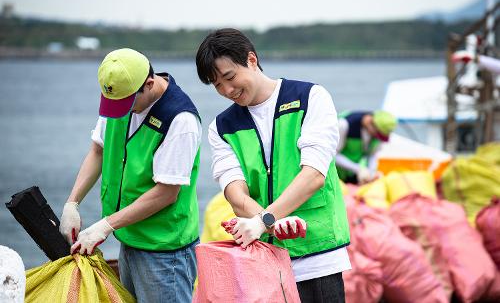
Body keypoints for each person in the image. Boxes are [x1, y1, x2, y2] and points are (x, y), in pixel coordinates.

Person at [196, 28, 351, 302]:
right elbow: (234, 192)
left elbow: (314, 174)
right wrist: (269, 224)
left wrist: (265, 219)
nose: (227, 90)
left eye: (230, 77)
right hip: (264, 261)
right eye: (216, 84)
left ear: (251, 59)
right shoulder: (221, 127)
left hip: (318, 257)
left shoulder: (311, 97)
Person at [59, 48, 201, 302]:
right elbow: (98, 151)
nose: (120, 110)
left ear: (148, 84)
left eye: (127, 103)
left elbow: (166, 193)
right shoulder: (119, 100)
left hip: (165, 251)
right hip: (129, 236)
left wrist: (106, 225)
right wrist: (72, 202)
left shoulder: (180, 120)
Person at [335, 110, 397, 184]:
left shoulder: (378, 133)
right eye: (378, 134)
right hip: (335, 174)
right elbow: (333, 156)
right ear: (369, 122)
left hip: (351, 174)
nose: (377, 138)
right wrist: (358, 169)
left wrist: (372, 173)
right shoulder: (344, 125)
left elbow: (373, 154)